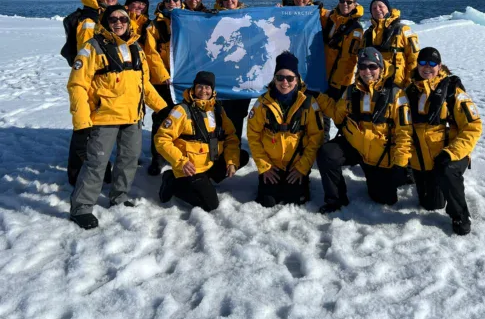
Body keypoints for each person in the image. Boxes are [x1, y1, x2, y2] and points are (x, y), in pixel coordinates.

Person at [68, 5, 168, 229]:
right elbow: (77, 86)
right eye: (112, 19)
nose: (118, 22)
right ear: (105, 22)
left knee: (129, 160)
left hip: (133, 116)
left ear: (128, 21)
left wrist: (162, 107)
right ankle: (81, 207)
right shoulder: (91, 48)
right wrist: (82, 121)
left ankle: (119, 196)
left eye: (122, 18)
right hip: (105, 117)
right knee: (96, 163)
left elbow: (144, 84)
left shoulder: (136, 48)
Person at [316, 47, 414, 214]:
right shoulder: (351, 91)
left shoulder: (396, 95)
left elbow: (404, 133)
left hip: (380, 156)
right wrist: (317, 96)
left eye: (372, 66)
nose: (366, 71)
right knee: (327, 153)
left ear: (381, 69)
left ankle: (406, 173)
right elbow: (336, 114)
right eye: (362, 66)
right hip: (355, 146)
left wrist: (400, 163)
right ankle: (336, 199)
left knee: (385, 199)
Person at [405, 47, 482, 235]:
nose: (427, 67)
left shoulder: (452, 92)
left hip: (448, 155)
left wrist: (451, 153)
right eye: (423, 63)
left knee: (447, 170)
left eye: (432, 63)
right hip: (421, 159)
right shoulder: (410, 90)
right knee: (431, 204)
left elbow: (474, 126)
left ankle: (460, 216)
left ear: (439, 66)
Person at [155, 71, 249, 212]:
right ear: (194, 88)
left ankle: (205, 181)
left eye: (207, 87)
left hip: (210, 161)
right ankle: (172, 182)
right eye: (200, 86)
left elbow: (231, 137)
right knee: (210, 205)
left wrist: (231, 162)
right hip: (190, 168)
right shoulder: (181, 111)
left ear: (212, 90)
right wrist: (181, 161)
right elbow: (161, 139)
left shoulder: (217, 109)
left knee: (241, 156)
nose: (203, 91)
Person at [248, 52, 324, 207]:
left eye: (290, 78)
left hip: (296, 165)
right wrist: (265, 166)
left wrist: (302, 168)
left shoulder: (308, 103)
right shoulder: (262, 103)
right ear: (274, 79)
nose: (285, 82)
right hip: (271, 165)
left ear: (296, 80)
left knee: (294, 201)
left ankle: (300, 183)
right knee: (267, 202)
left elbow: (316, 137)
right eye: (280, 77)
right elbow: (253, 136)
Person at [66, 0, 119, 186]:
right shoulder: (89, 20)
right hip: (91, 83)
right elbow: (87, 53)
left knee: (96, 128)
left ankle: (101, 169)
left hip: (105, 83)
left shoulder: (104, 14)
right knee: (84, 129)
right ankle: (75, 173)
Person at [143, 0, 183, 175]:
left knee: (183, 118)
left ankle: (182, 154)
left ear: (181, 1)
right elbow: (151, 53)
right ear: (163, 2)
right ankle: (157, 157)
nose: (172, 2)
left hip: (185, 81)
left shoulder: (191, 21)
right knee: (161, 118)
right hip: (164, 82)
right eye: (168, 0)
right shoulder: (155, 26)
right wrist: (164, 76)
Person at [320, 0, 364, 140]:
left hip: (342, 80)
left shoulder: (357, 29)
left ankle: (350, 142)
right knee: (323, 112)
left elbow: (356, 57)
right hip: (324, 75)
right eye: (342, 1)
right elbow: (311, 12)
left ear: (355, 4)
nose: (345, 4)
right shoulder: (331, 18)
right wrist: (286, 6)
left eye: (349, 2)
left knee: (340, 116)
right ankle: (323, 141)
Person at [212, 0, 251, 139]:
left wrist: (280, 10)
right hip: (221, 75)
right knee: (219, 114)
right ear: (221, 0)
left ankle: (234, 150)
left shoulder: (248, 16)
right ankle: (219, 150)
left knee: (238, 114)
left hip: (243, 74)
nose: (230, 1)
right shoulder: (212, 16)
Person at [363, 0, 419, 87]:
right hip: (372, 84)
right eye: (374, 8)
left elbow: (414, 58)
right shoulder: (367, 34)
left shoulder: (403, 30)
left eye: (381, 6)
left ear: (388, 9)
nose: (377, 9)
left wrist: (410, 82)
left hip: (397, 83)